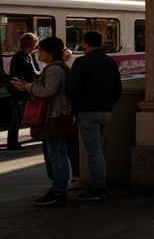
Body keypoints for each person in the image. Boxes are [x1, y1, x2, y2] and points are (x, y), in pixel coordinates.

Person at [12, 36, 72, 206]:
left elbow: (48, 91)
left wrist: (28, 87)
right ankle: (60, 189)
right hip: (61, 115)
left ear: (49, 53)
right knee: (60, 154)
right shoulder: (61, 68)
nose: (38, 54)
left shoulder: (53, 69)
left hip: (54, 117)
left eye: (41, 51)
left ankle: (58, 191)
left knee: (56, 155)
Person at [66, 30, 123, 201]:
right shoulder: (110, 62)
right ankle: (100, 183)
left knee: (93, 150)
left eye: (82, 43)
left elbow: (72, 88)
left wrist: (74, 108)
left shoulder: (82, 62)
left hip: (87, 111)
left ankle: (98, 187)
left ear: (85, 43)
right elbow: (117, 89)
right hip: (106, 111)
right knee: (99, 148)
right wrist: (108, 104)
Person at [5, 32, 39, 151]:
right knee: (17, 118)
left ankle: (12, 142)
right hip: (21, 93)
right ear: (30, 44)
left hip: (21, 92)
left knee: (17, 118)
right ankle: (12, 143)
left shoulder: (22, 56)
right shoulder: (21, 57)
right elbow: (20, 76)